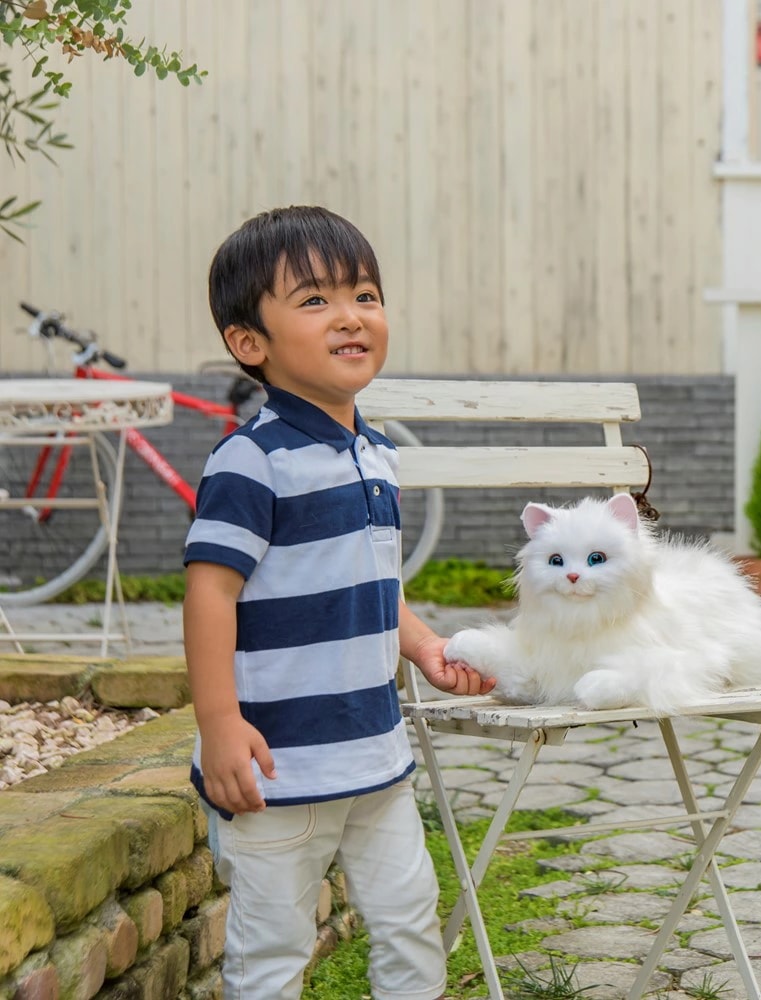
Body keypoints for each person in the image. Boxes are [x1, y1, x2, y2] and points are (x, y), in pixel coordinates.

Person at [182, 205, 494, 1000]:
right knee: (272, 952)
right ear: (250, 343)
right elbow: (210, 592)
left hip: (376, 757)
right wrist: (220, 722)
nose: (352, 315)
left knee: (411, 926)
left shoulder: (376, 454)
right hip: (275, 769)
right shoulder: (251, 460)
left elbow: (373, 580)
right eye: (315, 301)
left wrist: (420, 644)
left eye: (365, 293)